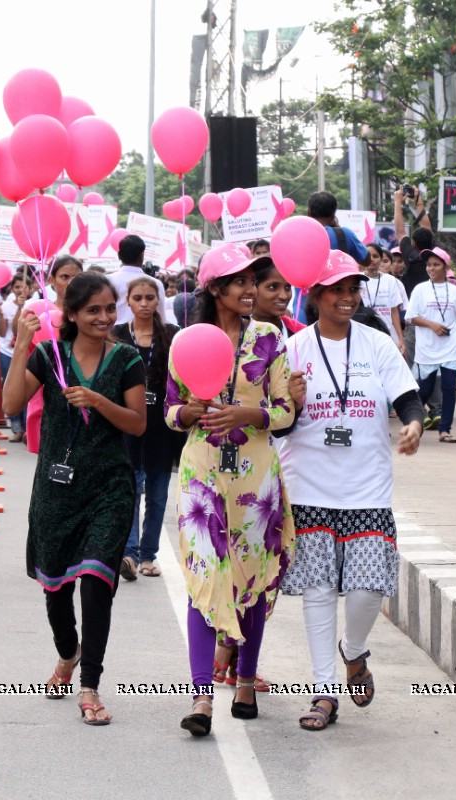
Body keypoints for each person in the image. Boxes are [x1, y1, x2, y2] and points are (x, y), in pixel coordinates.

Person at [279, 252, 422, 731]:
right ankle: (323, 692)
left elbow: (406, 396)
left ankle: (354, 650)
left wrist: (415, 424)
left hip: (367, 490)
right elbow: (276, 428)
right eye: (337, 289)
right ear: (316, 295)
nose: (346, 298)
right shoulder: (293, 350)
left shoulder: (377, 344)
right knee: (319, 593)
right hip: (309, 487)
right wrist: (291, 404)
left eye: (353, 290)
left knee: (365, 589)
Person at [2, 271, 148, 724]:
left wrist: (97, 402)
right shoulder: (48, 355)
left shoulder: (126, 359)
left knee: (96, 582)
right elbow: (9, 407)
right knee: (56, 587)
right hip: (56, 489)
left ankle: (90, 687)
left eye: (110, 309)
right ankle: (68, 653)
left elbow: (138, 424)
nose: (105, 318)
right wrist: (22, 345)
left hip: (110, 488)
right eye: (93, 310)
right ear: (71, 314)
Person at [164, 243, 295, 737]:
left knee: (253, 581)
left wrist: (249, 414)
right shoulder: (187, 341)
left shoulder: (269, 337)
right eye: (239, 281)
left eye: (251, 281)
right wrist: (192, 411)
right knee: (204, 580)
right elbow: (170, 414)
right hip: (202, 476)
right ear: (215, 288)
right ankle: (201, 698)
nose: (248, 289)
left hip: (255, 476)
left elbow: (285, 412)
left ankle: (244, 679)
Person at [113, 276, 183, 581]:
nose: (143, 303)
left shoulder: (172, 335)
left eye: (149, 298)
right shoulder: (117, 335)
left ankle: (147, 555)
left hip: (162, 428)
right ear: (127, 301)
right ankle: (128, 553)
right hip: (127, 425)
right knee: (129, 491)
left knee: (156, 495)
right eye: (137, 297)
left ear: (159, 301)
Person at [25, 256, 83, 452]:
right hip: (44, 395)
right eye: (64, 276)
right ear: (51, 280)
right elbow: (27, 359)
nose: (70, 283)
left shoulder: (90, 315)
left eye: (76, 277)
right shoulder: (39, 313)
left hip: (82, 395)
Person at [406, 247, 456, 443]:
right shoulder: (420, 289)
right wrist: (431, 324)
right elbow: (410, 317)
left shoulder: (455, 290)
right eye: (429, 265)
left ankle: (445, 429)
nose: (431, 268)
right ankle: (411, 421)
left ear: (445, 267)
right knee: (424, 389)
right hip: (427, 349)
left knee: (449, 389)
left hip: (451, 347)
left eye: (436, 265)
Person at [0, 271, 32, 442]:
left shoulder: (34, 304)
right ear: (12, 288)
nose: (20, 290)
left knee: (26, 388)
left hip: (26, 352)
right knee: (10, 387)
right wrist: (15, 309)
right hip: (7, 352)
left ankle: (27, 428)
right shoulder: (6, 306)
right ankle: (16, 427)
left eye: (24, 286)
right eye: (17, 287)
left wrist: (24, 307)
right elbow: (3, 332)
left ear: (30, 288)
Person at [360, 242, 407, 354]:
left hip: (387, 334)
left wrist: (401, 340)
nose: (372, 259)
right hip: (363, 334)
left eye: (376, 256)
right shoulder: (357, 278)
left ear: (381, 259)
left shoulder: (390, 280)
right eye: (368, 255)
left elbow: (394, 312)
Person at [109, 235, 166, 325]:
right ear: (142, 256)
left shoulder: (106, 281)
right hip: (145, 336)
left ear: (119, 255)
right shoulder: (155, 283)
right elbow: (161, 316)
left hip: (110, 335)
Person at [308, 192, 370, 266]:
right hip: (339, 277)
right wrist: (337, 228)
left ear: (309, 213)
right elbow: (367, 261)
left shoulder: (298, 235)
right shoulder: (345, 234)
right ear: (333, 214)